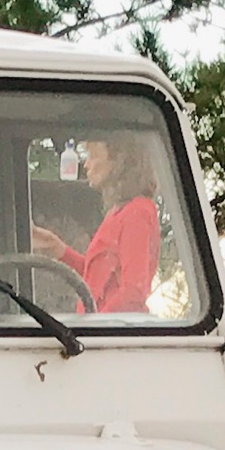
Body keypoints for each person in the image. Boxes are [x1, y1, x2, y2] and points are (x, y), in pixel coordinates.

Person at [30, 133, 161, 314]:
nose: (86, 164)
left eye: (93, 156)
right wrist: (58, 249)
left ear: (118, 161)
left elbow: (134, 292)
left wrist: (96, 325)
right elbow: (98, 279)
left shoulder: (137, 212)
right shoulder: (119, 212)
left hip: (113, 336)